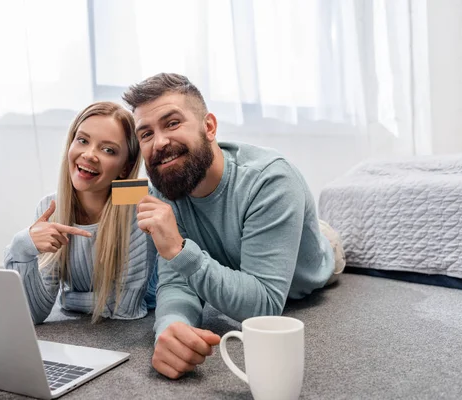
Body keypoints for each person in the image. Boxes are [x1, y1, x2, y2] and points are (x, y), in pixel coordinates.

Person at [122, 73, 346, 379]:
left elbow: (264, 304)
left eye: (172, 123)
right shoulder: (165, 185)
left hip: (310, 263)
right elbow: (176, 281)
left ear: (209, 127)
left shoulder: (271, 181)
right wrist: (173, 325)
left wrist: (178, 250)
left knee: (329, 243)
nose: (159, 142)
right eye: (146, 134)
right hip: (231, 258)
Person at [4, 101, 157, 324]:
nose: (89, 155)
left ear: (125, 166)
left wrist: (68, 300)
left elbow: (127, 307)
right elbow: (34, 314)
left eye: (108, 150)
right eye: (83, 140)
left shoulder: (138, 200)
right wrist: (22, 246)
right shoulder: (52, 206)